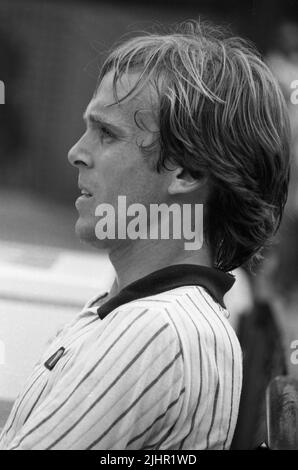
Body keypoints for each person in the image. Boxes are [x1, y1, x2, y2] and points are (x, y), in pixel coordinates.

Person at [0, 20, 290, 450]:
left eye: (106, 133)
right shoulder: (150, 310)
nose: (76, 152)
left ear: (188, 170)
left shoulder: (155, 331)